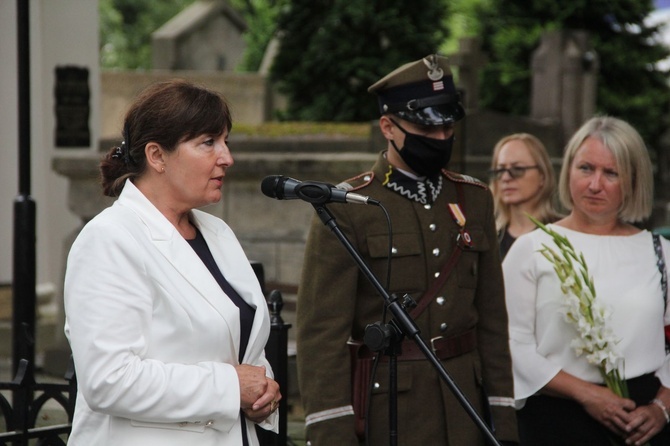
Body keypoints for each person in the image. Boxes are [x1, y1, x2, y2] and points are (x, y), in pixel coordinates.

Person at [296, 55, 518, 445]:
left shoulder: (474, 199)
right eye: (424, 128)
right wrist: (332, 432)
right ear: (388, 127)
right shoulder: (346, 207)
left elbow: (493, 324)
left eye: (447, 127)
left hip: (467, 409)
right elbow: (321, 337)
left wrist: (503, 418)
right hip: (389, 411)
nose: (440, 138)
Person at [63, 79, 281, 446]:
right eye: (208, 143)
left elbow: (239, 348)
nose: (227, 157)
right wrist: (230, 387)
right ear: (157, 156)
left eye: (226, 141)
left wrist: (263, 392)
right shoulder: (110, 238)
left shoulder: (217, 233)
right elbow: (108, 380)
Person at [503, 116, 670, 446]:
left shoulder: (660, 252)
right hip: (556, 417)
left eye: (611, 173)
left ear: (633, 180)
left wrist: (662, 408)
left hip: (641, 421)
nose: (595, 185)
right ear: (568, 171)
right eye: (585, 168)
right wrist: (587, 395)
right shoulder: (532, 249)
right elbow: (511, 344)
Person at [489, 133, 562, 258]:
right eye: (500, 170)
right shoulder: (489, 237)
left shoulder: (561, 232)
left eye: (517, 169)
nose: (506, 178)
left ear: (542, 176)